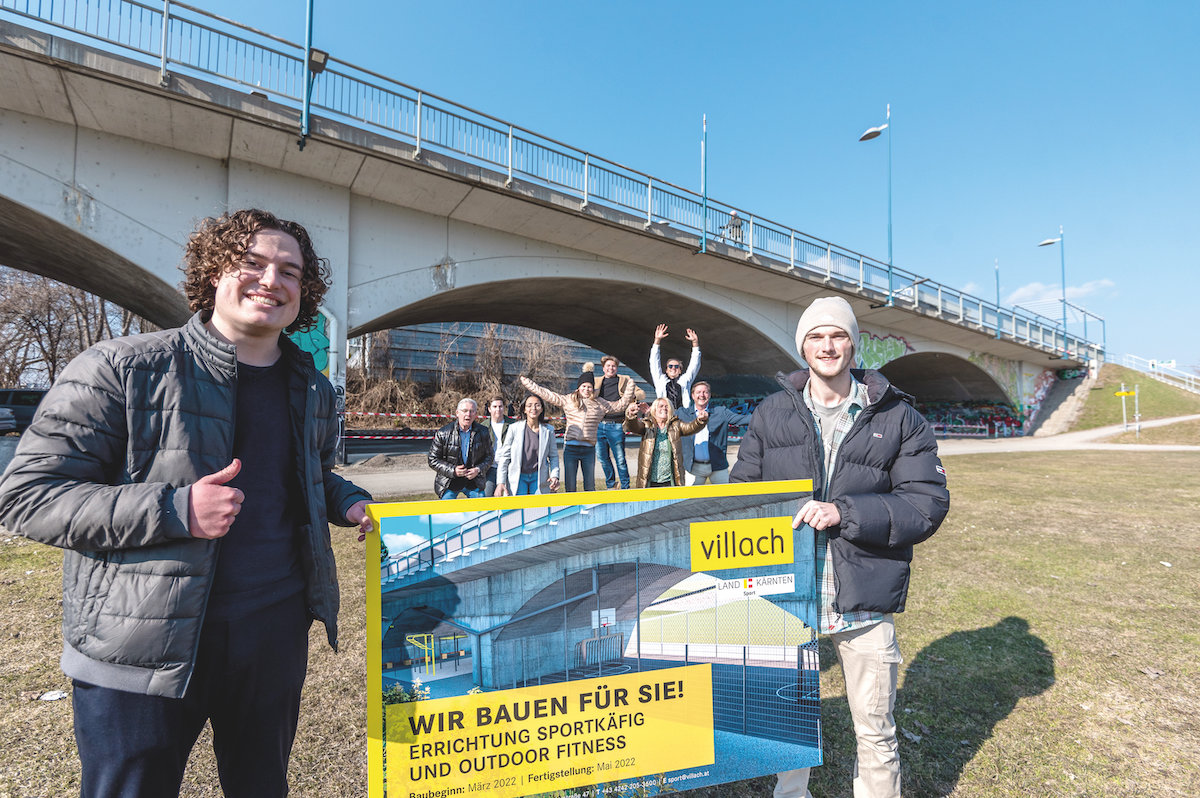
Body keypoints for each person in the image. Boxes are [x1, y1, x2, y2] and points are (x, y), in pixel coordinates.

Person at [0, 208, 373, 798]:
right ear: (212, 272)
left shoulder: (314, 387)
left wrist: (348, 500)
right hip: (141, 648)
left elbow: (307, 475)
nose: (270, 280)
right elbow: (26, 496)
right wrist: (176, 510)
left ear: (305, 291)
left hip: (272, 638)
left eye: (289, 271)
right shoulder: (121, 368)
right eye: (251, 263)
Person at [729, 296, 949, 798]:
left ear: (853, 343)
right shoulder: (771, 412)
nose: (827, 346)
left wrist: (844, 513)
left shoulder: (898, 417)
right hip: (786, 596)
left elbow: (926, 503)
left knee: (875, 730)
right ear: (802, 346)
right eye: (815, 336)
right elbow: (742, 495)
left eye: (838, 335)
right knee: (788, 725)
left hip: (864, 600)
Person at [520, 363, 633, 492]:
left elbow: (620, 405)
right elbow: (548, 395)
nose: (586, 389)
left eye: (589, 387)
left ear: (593, 388)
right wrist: (528, 383)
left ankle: (590, 510)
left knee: (590, 486)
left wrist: (630, 388)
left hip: (589, 450)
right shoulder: (569, 400)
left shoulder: (600, 403)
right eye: (584, 386)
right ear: (579, 387)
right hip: (571, 449)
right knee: (570, 486)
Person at [675, 381, 753, 485]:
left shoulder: (721, 412)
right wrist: (649, 413)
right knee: (690, 500)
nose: (702, 395)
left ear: (709, 395)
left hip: (718, 466)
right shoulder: (682, 414)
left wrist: (764, 414)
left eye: (705, 392)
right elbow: (663, 419)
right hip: (693, 467)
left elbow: (741, 419)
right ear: (692, 395)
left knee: (725, 497)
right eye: (698, 392)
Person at [623, 397, 708, 488]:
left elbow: (690, 427)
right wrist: (631, 416)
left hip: (670, 481)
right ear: (654, 410)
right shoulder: (647, 425)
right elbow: (634, 427)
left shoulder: (676, 425)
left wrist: (700, 421)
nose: (664, 408)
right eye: (661, 406)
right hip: (649, 480)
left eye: (667, 406)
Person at [593, 355, 645, 490]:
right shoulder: (597, 381)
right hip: (599, 425)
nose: (611, 368)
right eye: (608, 366)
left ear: (617, 368)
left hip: (616, 425)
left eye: (613, 366)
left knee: (620, 459)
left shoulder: (625, 380)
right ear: (603, 368)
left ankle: (625, 487)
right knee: (602, 458)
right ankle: (611, 485)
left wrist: (632, 396)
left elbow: (641, 393)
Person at [494, 395, 561, 496]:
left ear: (542, 409)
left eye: (537, 405)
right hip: (518, 476)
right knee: (517, 509)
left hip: (539, 477)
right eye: (529, 405)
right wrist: (500, 482)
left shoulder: (548, 430)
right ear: (524, 409)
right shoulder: (514, 428)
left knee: (539, 509)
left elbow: (554, 456)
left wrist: (554, 476)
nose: (533, 408)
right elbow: (505, 457)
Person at [428, 398, 494, 499]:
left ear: (476, 414)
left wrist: (478, 469)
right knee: (447, 513)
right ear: (457, 413)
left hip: (474, 482)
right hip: (449, 482)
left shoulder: (483, 432)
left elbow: (490, 457)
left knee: (481, 511)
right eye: (465, 411)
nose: (468, 414)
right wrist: (453, 470)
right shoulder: (443, 433)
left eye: (472, 411)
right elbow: (432, 460)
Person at [650, 324, 701, 409]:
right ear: (666, 370)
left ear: (680, 370)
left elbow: (694, 365)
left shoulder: (685, 380)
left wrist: (695, 343)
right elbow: (654, 362)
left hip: (682, 414)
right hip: (665, 413)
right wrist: (657, 340)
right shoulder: (660, 380)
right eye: (670, 366)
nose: (673, 368)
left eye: (676, 366)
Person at [479, 396, 513, 497]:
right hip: (490, 469)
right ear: (489, 409)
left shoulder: (512, 425)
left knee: (510, 500)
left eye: (500, 406)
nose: (498, 409)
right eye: (494, 406)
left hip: (509, 468)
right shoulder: (482, 427)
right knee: (487, 498)